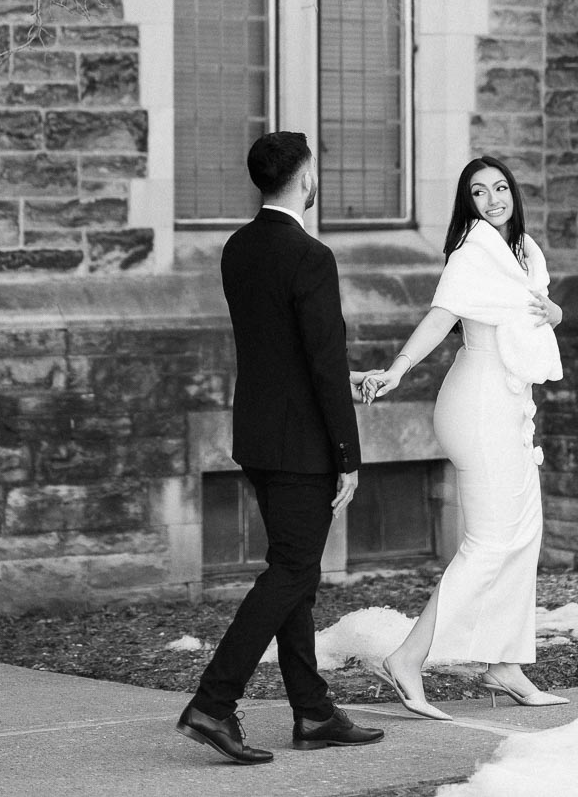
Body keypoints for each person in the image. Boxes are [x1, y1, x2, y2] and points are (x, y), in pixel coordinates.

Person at [176, 131, 384, 764]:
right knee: (292, 571)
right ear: (303, 178)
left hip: (261, 435)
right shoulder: (310, 255)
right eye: (315, 169)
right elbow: (321, 360)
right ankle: (213, 702)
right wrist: (348, 453)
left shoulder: (239, 248)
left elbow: (278, 349)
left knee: (297, 573)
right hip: (301, 446)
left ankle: (314, 712)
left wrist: (333, 384)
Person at [361, 156, 568, 719]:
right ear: (468, 203)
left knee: (525, 532)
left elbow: (530, 312)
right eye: (479, 192)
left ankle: (503, 664)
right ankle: (406, 657)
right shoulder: (472, 253)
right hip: (477, 404)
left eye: (500, 187)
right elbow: (440, 315)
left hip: (510, 403)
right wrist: (398, 369)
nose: (493, 198)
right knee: (489, 541)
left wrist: (553, 312)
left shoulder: (525, 251)